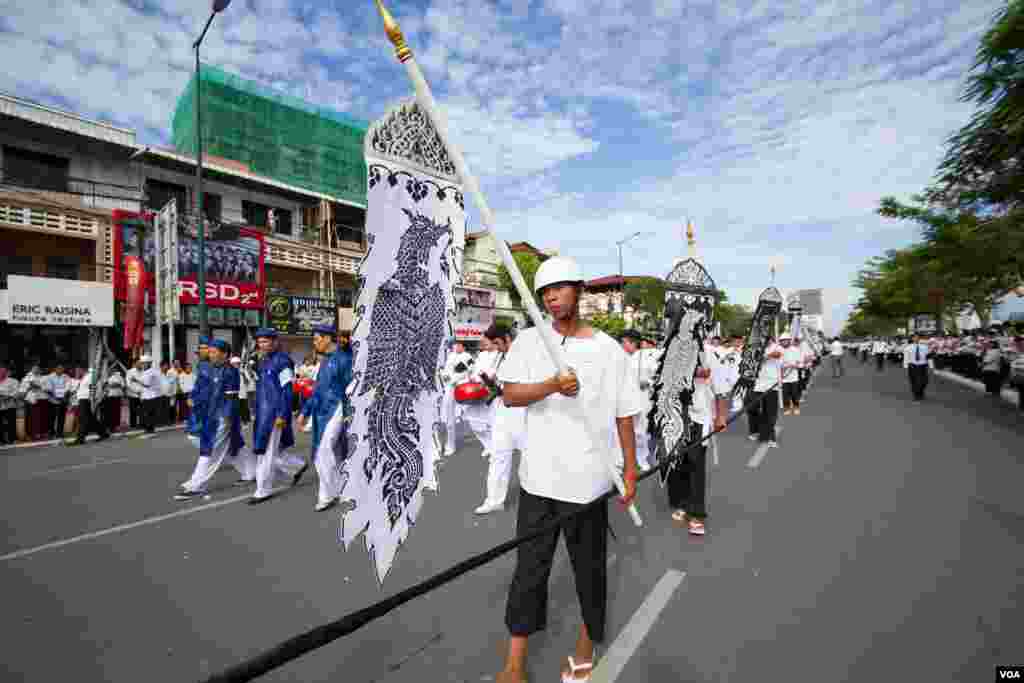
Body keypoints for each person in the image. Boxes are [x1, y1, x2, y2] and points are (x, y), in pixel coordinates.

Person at [493, 256, 644, 683]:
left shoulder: (607, 349)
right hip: (537, 480)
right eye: (545, 292)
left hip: (588, 484)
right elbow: (510, 395)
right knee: (529, 573)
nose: (552, 297)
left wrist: (630, 470)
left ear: (579, 290)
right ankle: (514, 664)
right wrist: (551, 385)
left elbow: (625, 413)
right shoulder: (527, 341)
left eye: (559, 288)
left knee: (589, 570)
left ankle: (585, 645)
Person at [175, 339, 255, 500]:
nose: (209, 354)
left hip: (222, 417)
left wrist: (227, 419)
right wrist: (193, 398)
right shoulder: (209, 369)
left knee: (209, 450)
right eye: (209, 352)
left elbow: (231, 399)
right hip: (208, 414)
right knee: (234, 446)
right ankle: (252, 471)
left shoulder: (230, 372)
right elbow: (201, 389)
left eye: (213, 352)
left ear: (224, 354)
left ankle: (196, 485)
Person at [297, 324, 353, 512]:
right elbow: (317, 390)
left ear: (328, 338)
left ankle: (327, 494)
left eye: (317, 338)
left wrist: (349, 414)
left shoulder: (345, 359)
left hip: (337, 409)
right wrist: (304, 412)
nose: (315, 342)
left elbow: (351, 389)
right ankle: (341, 487)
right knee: (332, 451)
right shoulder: (325, 361)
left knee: (323, 451)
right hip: (322, 411)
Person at [474, 323, 526, 514]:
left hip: (522, 412)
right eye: (493, 343)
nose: (496, 347)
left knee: (531, 456)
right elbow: (497, 380)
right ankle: (494, 500)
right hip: (502, 412)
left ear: (507, 337)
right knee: (498, 456)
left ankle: (545, 496)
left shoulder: (524, 355)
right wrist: (491, 383)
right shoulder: (499, 356)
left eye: (497, 342)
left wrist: (502, 389)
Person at [249, 328, 305, 505]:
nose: (262, 345)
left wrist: (282, 414)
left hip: (274, 414)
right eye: (260, 342)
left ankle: (262, 490)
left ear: (275, 342)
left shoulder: (283, 362)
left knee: (265, 452)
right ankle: (297, 466)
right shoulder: (263, 361)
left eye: (265, 341)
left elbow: (287, 390)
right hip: (262, 413)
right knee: (275, 451)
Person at [747, 337, 783, 447]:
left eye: (766, 338)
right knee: (753, 409)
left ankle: (771, 438)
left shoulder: (776, 347)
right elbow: (752, 361)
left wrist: (765, 357)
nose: (763, 340)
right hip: (757, 385)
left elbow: (777, 354)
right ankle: (756, 431)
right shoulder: (754, 349)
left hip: (771, 385)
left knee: (770, 413)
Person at [441, 340, 474, 456]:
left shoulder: (467, 356)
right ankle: (451, 445)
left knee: (471, 414)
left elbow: (471, 370)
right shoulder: (450, 356)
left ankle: (487, 440)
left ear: (463, 346)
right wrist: (447, 378)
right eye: (455, 344)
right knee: (449, 419)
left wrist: (456, 378)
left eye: (458, 345)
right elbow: (445, 372)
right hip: (450, 388)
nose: (455, 346)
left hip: (462, 387)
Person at [72, 368, 110, 445]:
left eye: (78, 370)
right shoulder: (85, 377)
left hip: (86, 399)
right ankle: (103, 433)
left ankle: (80, 438)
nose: (77, 372)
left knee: (83, 419)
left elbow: (93, 387)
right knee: (90, 419)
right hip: (82, 398)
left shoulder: (90, 376)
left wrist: (93, 400)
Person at [20, 364, 49, 441]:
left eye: (37, 369)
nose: (36, 370)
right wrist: (29, 387)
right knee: (30, 418)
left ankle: (41, 433)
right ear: (31, 370)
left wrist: (38, 386)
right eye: (34, 369)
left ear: (40, 370)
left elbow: (47, 388)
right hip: (30, 400)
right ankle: (30, 435)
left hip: (42, 399)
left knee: (41, 417)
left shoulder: (44, 378)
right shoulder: (26, 378)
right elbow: (22, 390)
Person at [903, 333, 932, 401]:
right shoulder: (908, 347)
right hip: (913, 366)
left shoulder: (924, 347)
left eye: (917, 337)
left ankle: (921, 392)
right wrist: (905, 367)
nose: (916, 339)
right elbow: (906, 358)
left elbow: (929, 356)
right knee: (914, 381)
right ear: (912, 339)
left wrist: (931, 366)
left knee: (924, 381)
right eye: (914, 337)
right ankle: (916, 395)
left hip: (922, 365)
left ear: (919, 338)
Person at [137, 355, 161, 435]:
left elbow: (147, 384)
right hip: (145, 395)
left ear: (148, 363)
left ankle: (150, 428)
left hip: (151, 395)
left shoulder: (152, 372)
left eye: (144, 363)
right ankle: (148, 428)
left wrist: (136, 380)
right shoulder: (144, 372)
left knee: (149, 413)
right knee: (146, 413)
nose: (142, 365)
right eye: (142, 363)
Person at [780, 334, 802, 416]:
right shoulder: (779, 350)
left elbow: (800, 363)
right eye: (782, 341)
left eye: (786, 340)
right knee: (785, 395)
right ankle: (787, 408)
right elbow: (778, 364)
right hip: (783, 377)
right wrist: (786, 365)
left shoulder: (795, 350)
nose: (784, 342)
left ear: (789, 340)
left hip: (793, 377)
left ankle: (796, 407)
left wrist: (796, 365)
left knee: (794, 394)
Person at [46, 364, 70, 439]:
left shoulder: (66, 376)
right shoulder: (50, 377)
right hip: (52, 400)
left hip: (63, 400)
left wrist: (64, 396)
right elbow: (49, 389)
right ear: (55, 369)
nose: (60, 370)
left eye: (62, 369)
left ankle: (60, 433)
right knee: (51, 417)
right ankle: (51, 433)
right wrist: (56, 397)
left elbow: (68, 386)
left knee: (61, 417)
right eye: (59, 368)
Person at [0, 366, 19, 445]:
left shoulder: (13, 381)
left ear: (6, 372)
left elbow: (16, 391)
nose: (1, 373)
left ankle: (12, 439)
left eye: (3, 372)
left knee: (11, 423)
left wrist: (8, 396)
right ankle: (1, 440)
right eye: (1, 372)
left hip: (10, 405)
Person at [105, 369, 125, 433]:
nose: (112, 371)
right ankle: (110, 427)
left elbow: (123, 385)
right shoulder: (107, 377)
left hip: (117, 395)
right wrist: (110, 385)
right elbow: (105, 386)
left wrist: (116, 385)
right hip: (109, 396)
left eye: (113, 370)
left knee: (117, 411)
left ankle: (116, 426)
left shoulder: (119, 377)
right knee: (110, 412)